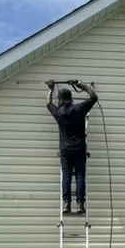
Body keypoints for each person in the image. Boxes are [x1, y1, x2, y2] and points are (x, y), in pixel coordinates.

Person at [46, 79, 98, 215]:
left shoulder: (59, 113)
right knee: (80, 176)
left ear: (61, 100)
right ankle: (80, 204)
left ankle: (66, 204)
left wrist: (51, 89)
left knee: (67, 175)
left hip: (66, 151)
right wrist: (81, 84)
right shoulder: (79, 109)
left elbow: (48, 103)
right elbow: (94, 97)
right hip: (80, 149)